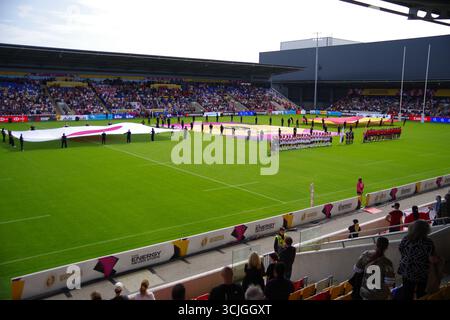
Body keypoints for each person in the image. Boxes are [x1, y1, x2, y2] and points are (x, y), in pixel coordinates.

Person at [398, 220, 438, 300]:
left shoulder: (406, 239)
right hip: (420, 271)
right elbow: (432, 259)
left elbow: (401, 250)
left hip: (406, 269)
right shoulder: (428, 242)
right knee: (421, 292)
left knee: (407, 291)